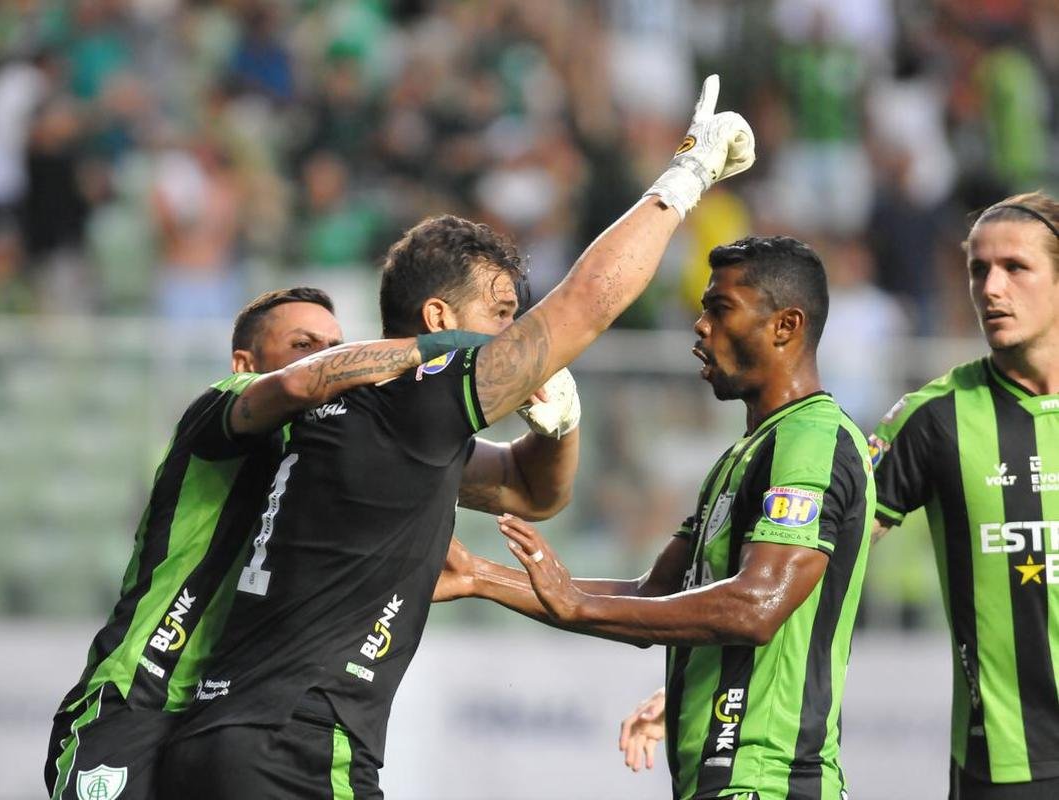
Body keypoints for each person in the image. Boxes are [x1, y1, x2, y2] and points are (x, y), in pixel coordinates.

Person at [158, 75, 755, 798]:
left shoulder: (370, 418)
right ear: (438, 320)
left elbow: (532, 493)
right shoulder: (413, 399)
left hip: (223, 741)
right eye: (501, 313)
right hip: (299, 745)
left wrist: (558, 425)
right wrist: (686, 174)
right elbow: (588, 302)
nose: (513, 334)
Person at [440, 235, 875, 800]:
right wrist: (481, 576)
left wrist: (577, 601)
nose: (700, 326)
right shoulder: (743, 455)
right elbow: (655, 593)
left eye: (720, 310)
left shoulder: (811, 438)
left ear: (785, 325)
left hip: (769, 782)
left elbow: (756, 606)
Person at [45, 287, 444, 800]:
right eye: (304, 343)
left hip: (222, 721)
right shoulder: (221, 407)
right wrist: (449, 347)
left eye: (335, 344)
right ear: (246, 361)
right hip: (137, 698)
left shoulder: (325, 454)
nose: (324, 355)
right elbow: (301, 385)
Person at [866, 191, 1059, 799]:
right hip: (1003, 766)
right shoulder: (933, 418)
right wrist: (723, 664)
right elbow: (818, 556)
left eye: (1015, 268)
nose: (991, 288)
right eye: (979, 269)